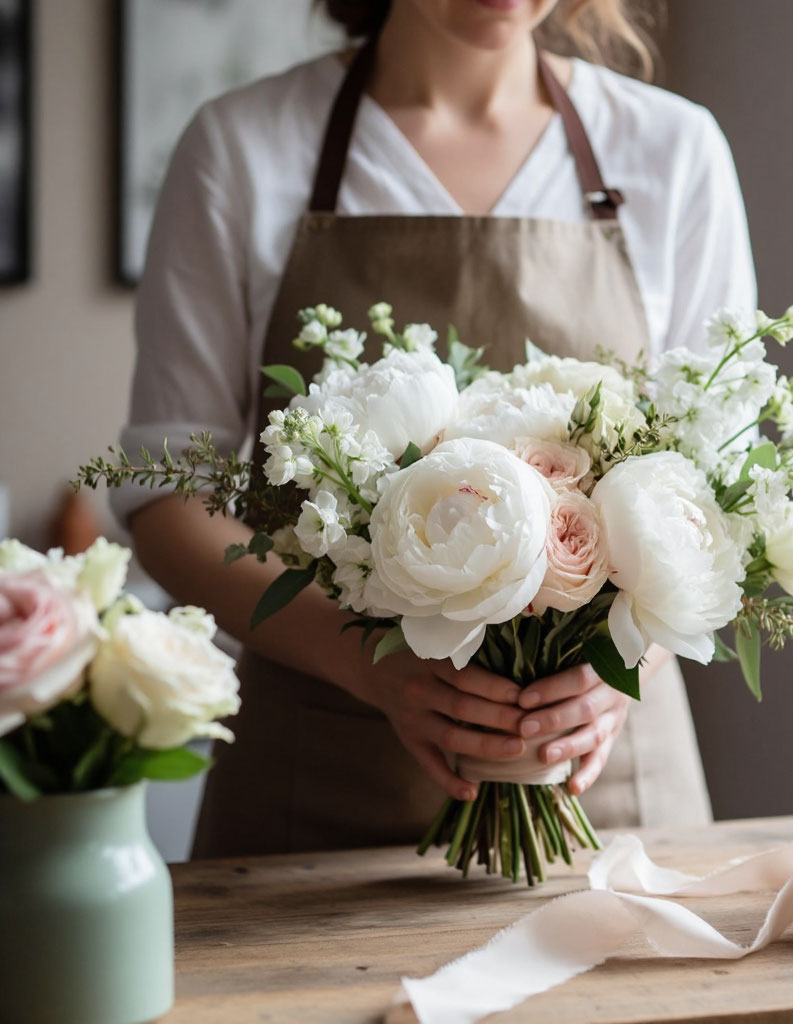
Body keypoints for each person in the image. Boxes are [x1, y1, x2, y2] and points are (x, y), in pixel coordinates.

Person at [113, 0, 756, 857]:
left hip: (612, 799)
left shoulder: (673, 151)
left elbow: (729, 502)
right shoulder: (243, 148)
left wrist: (623, 673)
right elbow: (169, 498)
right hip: (319, 803)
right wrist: (366, 663)